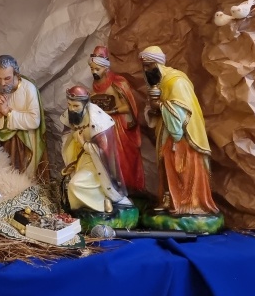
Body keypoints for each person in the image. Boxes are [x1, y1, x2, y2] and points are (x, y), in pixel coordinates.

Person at [139, 46, 218, 215]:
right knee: (166, 166)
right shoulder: (158, 84)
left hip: (184, 138)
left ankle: (190, 203)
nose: (146, 70)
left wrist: (160, 106)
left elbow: (181, 113)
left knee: (183, 168)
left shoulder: (176, 82)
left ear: (158, 64)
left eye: (149, 65)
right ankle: (169, 199)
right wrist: (152, 109)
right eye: (144, 67)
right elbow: (153, 111)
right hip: (166, 134)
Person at [60, 86, 131, 213]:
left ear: (85, 104)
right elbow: (67, 137)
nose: (71, 109)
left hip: (97, 163)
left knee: (75, 184)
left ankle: (101, 202)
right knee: (69, 184)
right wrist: (71, 160)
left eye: (76, 106)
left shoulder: (97, 121)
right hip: (80, 158)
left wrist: (83, 143)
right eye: (69, 105)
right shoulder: (71, 115)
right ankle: (88, 207)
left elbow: (103, 151)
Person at [89, 46, 144, 192]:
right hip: (103, 128)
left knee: (121, 160)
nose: (94, 72)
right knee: (105, 159)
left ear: (106, 68)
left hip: (119, 129)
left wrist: (110, 111)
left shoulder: (118, 83)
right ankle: (111, 189)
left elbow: (129, 108)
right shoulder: (94, 86)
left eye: (97, 69)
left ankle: (129, 189)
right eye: (92, 69)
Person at [0, 55, 47, 179]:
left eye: (7, 78)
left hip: (26, 144)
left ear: (16, 74)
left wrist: (7, 112)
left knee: (25, 177)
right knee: (6, 176)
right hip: (6, 143)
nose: (2, 83)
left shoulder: (28, 89)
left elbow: (34, 121)